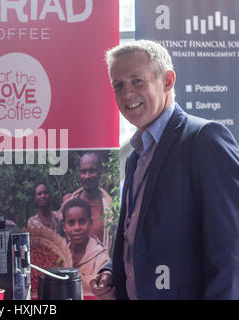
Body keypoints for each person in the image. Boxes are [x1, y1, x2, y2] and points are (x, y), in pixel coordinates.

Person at [90, 40, 239, 300]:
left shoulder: (204, 138)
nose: (126, 94)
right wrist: (112, 270)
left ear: (167, 81)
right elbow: (137, 236)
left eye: (138, 81)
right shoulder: (135, 156)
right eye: (119, 85)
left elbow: (230, 252)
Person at [61, 198, 110, 297]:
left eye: (82, 221)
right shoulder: (60, 254)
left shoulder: (100, 256)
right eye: (71, 223)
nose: (77, 228)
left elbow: (102, 289)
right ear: (64, 226)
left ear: (91, 223)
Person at [67, 152, 113, 248]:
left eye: (92, 171)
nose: (87, 176)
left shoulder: (110, 207)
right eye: (83, 172)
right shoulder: (69, 205)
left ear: (100, 172)